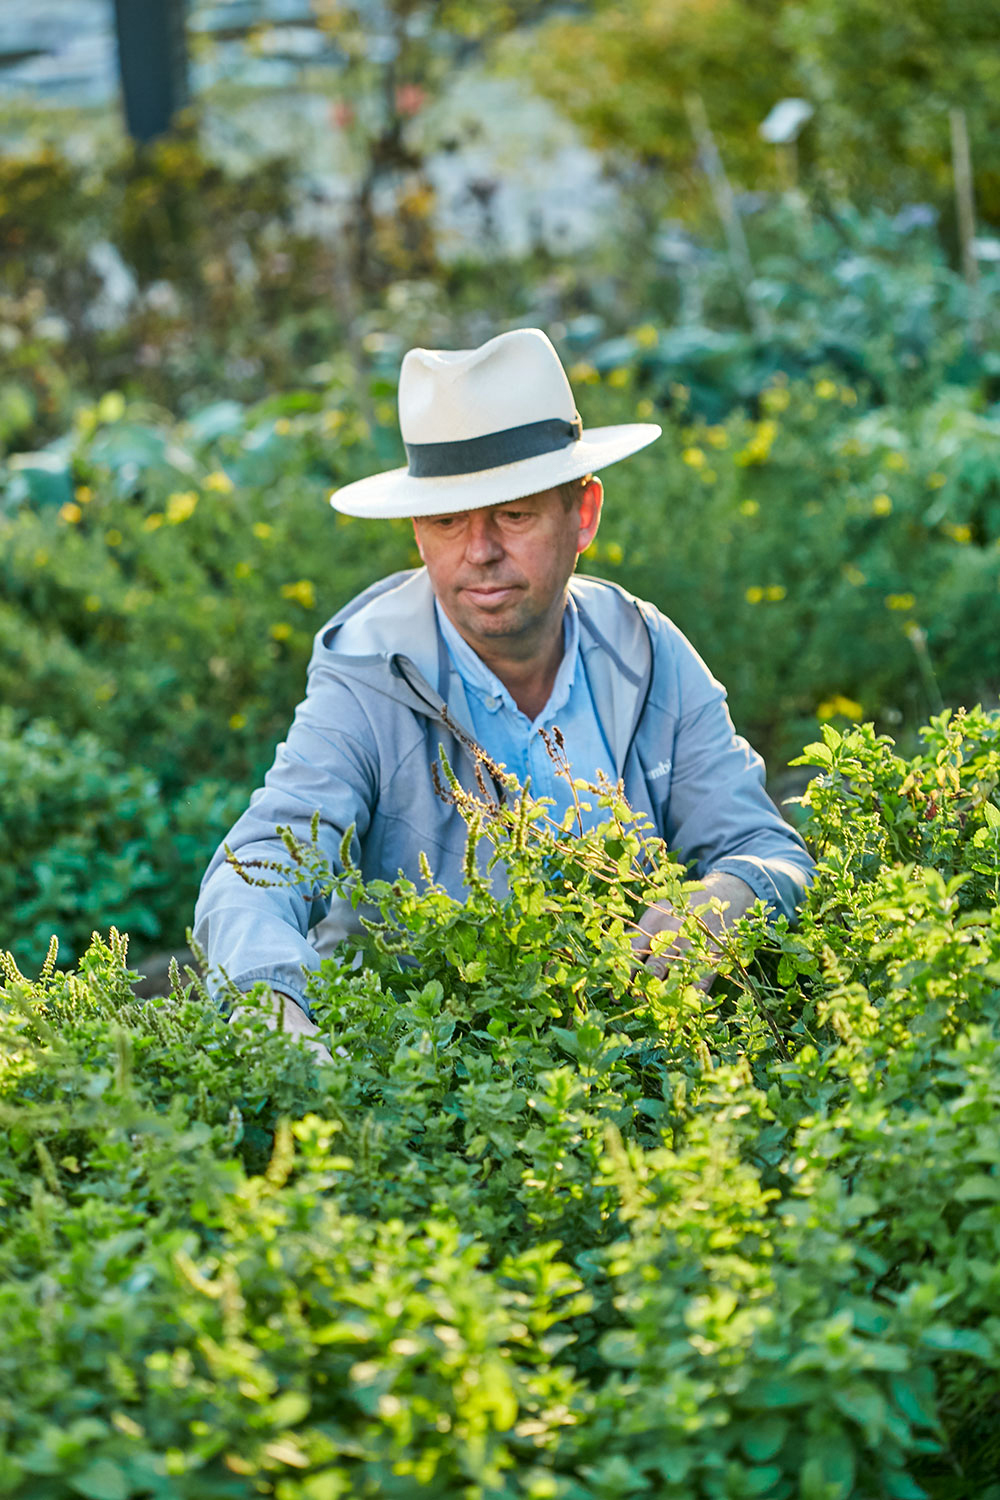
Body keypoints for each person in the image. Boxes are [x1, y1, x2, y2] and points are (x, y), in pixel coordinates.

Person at [194, 328, 813, 1060]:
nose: (479, 552)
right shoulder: (370, 670)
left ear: (582, 515)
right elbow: (262, 862)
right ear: (417, 535)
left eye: (513, 515)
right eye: (447, 521)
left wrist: (734, 893)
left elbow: (766, 846)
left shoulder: (646, 651)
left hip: (633, 1059)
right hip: (419, 1071)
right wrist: (273, 1005)